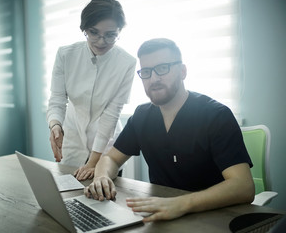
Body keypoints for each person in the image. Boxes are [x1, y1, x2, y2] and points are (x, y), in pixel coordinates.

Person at [84, 38, 255, 222]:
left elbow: (243, 186)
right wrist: (101, 177)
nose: (154, 79)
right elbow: (111, 158)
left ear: (182, 72)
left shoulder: (216, 115)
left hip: (213, 216)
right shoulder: (142, 116)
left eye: (163, 68)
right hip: (161, 214)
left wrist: (181, 204)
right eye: (146, 72)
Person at [47, 0, 136, 181]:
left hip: (106, 143)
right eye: (93, 32)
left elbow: (112, 113)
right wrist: (55, 125)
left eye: (110, 34)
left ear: (120, 31)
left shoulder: (126, 63)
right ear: (84, 29)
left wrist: (93, 162)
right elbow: (57, 99)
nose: (101, 41)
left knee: (104, 199)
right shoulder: (66, 55)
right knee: (69, 196)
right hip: (72, 139)